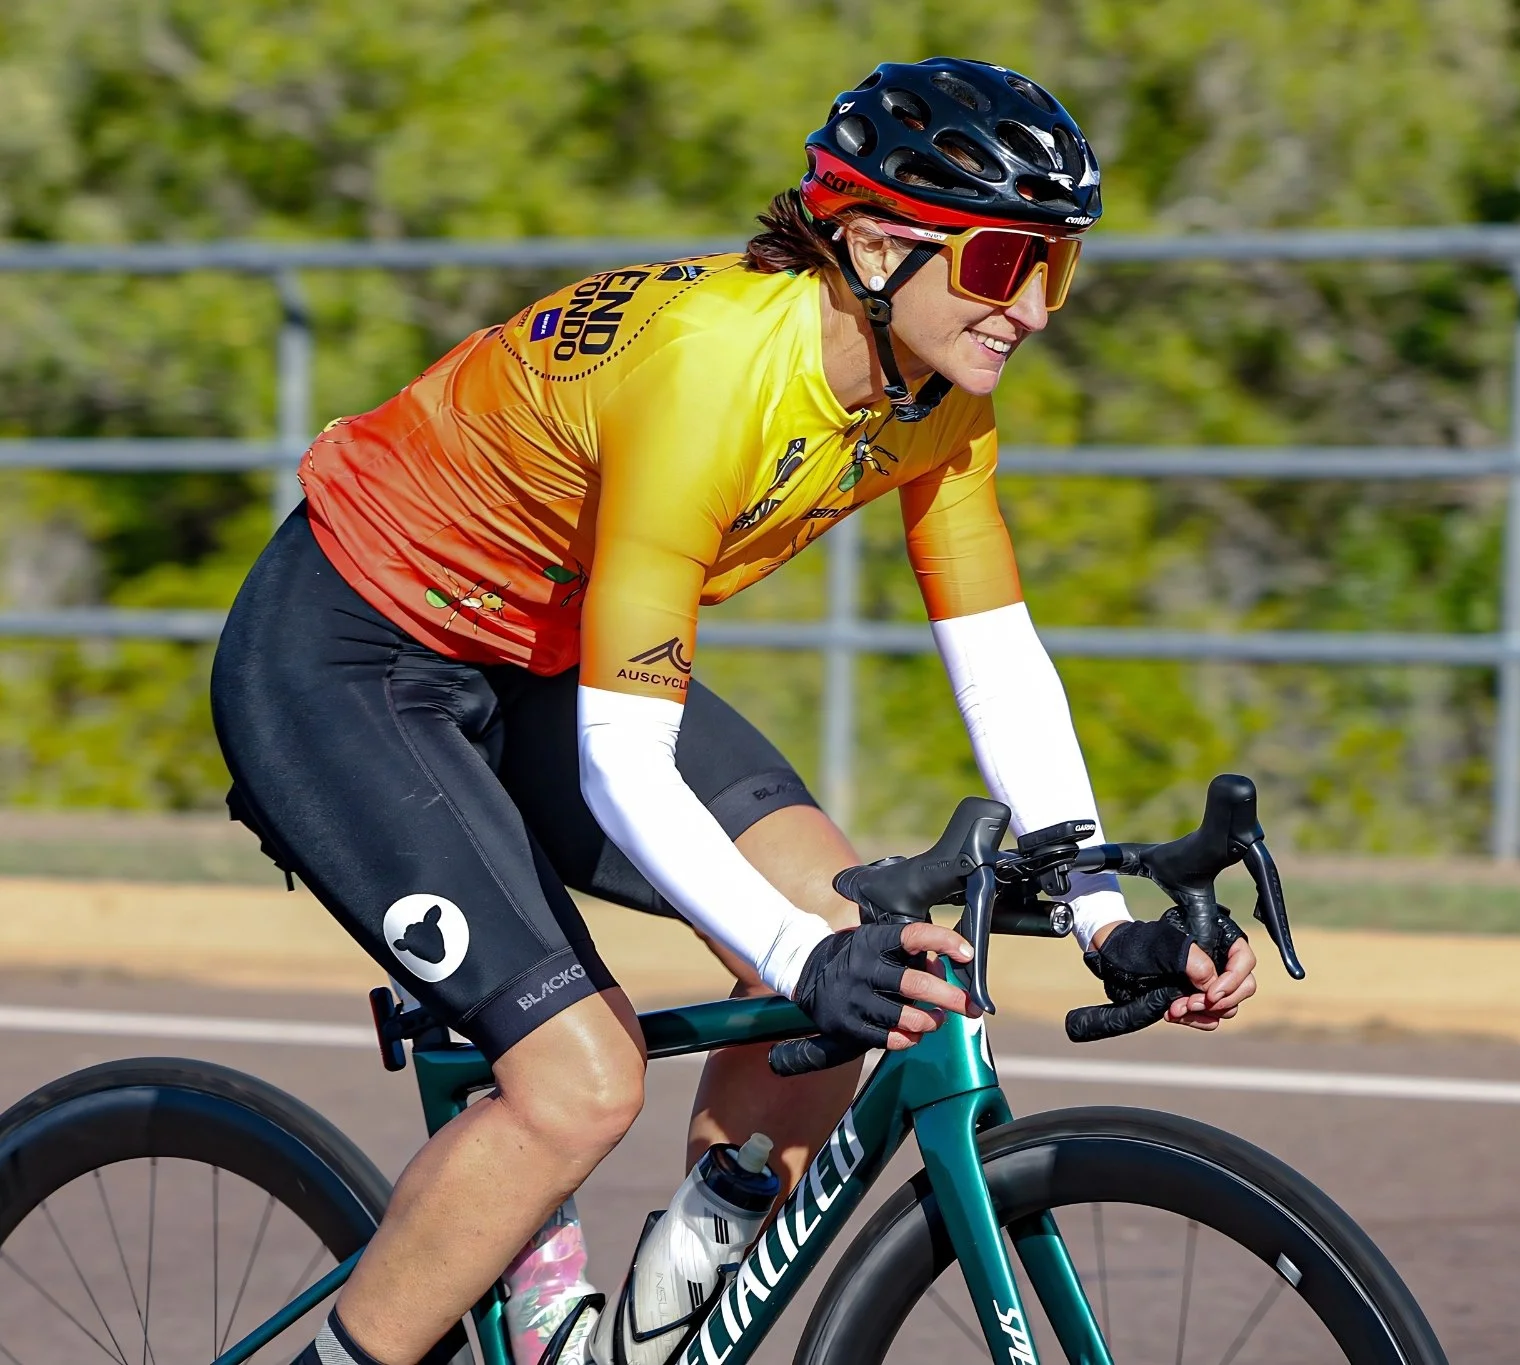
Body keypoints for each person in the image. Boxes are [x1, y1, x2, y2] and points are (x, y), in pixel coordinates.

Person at [211, 57, 1258, 1365]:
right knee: (580, 1082)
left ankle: (648, 1336)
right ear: (875, 245)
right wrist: (802, 959)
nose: (1034, 311)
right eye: (1002, 265)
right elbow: (626, 762)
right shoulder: (710, 373)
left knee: (869, 953)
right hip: (354, 651)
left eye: (1059, 267)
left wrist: (1106, 915)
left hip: (536, 653)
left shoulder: (943, 404)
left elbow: (996, 661)